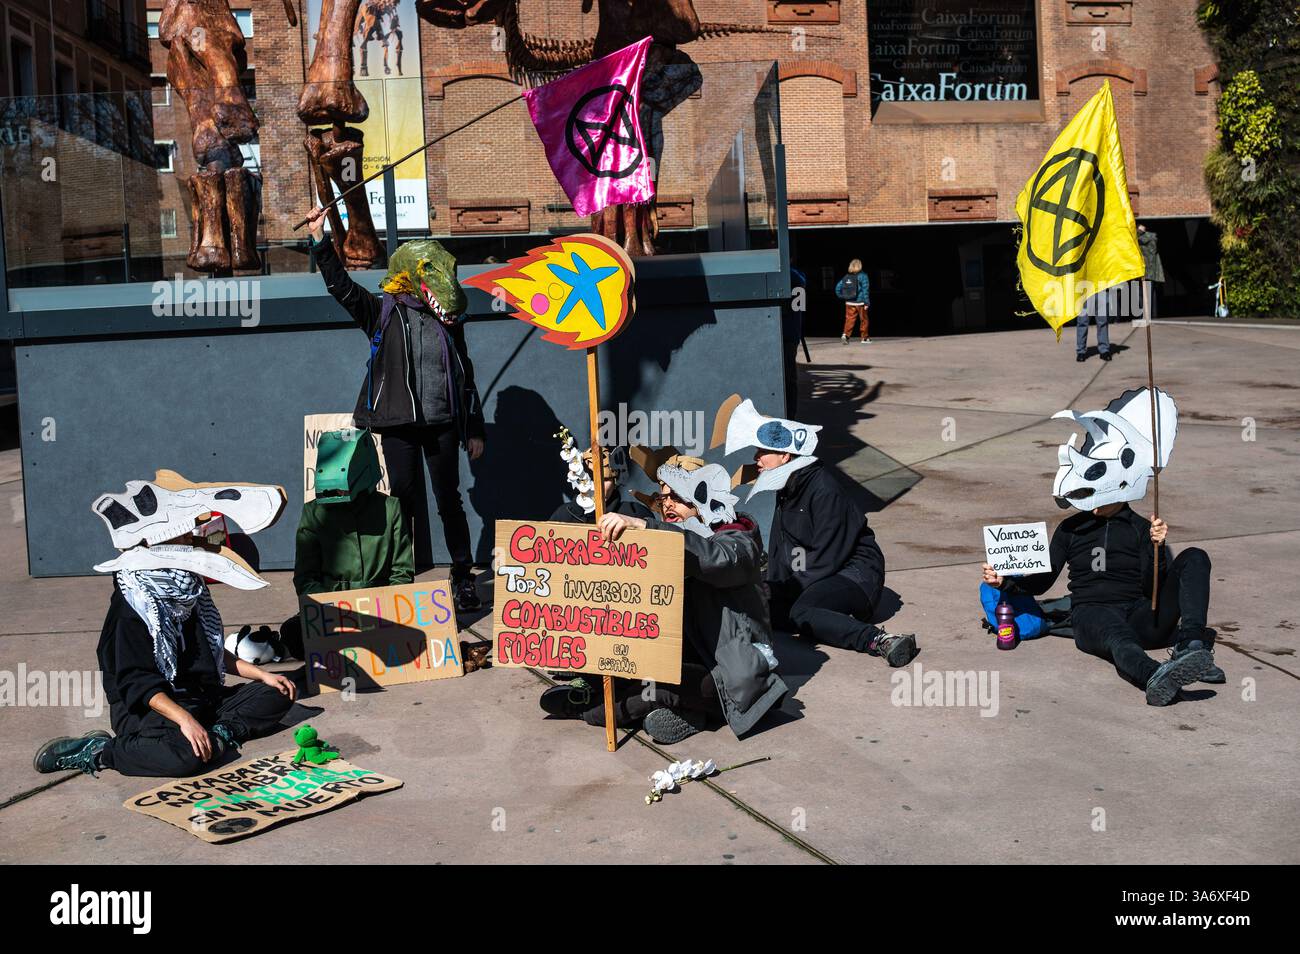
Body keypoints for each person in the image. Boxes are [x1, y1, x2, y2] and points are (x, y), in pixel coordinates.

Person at [35, 471, 296, 777]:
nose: (195, 541)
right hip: (151, 711)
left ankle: (218, 734)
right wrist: (184, 720)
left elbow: (212, 652)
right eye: (187, 536)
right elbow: (138, 683)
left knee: (280, 693)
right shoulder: (133, 606)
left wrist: (263, 676)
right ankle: (100, 752)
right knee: (183, 758)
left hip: (201, 697)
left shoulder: (189, 591)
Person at [306, 206, 485, 612]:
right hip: (399, 422)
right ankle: (401, 577)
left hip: (441, 421)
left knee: (449, 500)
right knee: (401, 503)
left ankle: (462, 575)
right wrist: (320, 240)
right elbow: (341, 287)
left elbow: (464, 372)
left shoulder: (447, 318)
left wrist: (473, 426)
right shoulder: (383, 311)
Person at [539, 456, 787, 744]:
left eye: (677, 498)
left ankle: (591, 710)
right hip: (683, 659)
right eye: (663, 496)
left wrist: (646, 528)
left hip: (729, 672)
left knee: (648, 694)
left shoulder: (737, 537)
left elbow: (717, 559)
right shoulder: (673, 536)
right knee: (629, 672)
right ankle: (685, 712)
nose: (667, 504)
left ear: (702, 499)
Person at [722, 397, 917, 665]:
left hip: (855, 574)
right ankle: (830, 619)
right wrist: (770, 587)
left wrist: (786, 588)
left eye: (762, 451)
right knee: (756, 602)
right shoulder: (788, 487)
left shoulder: (824, 488)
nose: (757, 458)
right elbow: (783, 548)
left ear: (785, 456)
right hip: (817, 574)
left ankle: (879, 640)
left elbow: (828, 555)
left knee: (804, 611)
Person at [982, 503, 1222, 705]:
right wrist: (1004, 582)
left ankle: (1190, 645)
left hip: (1138, 612)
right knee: (1119, 639)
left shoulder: (1140, 527)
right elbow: (1043, 581)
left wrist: (1156, 549)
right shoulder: (1071, 528)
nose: (1094, 504)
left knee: (1195, 556)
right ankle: (1154, 676)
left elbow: (1153, 589)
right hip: (1091, 613)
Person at [278, 428, 414, 659]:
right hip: (332, 610)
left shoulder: (390, 509)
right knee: (292, 634)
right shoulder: (314, 512)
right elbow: (305, 577)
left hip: (379, 609)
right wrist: (332, 609)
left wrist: (383, 609)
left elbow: (402, 571)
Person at [548, 427, 651, 524]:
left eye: (605, 479)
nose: (597, 486)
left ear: (615, 481)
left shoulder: (635, 514)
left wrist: (635, 523)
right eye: (590, 479)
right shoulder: (562, 516)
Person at [837, 258, 871, 344]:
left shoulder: (847, 277)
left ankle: (845, 335)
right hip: (861, 302)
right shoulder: (863, 276)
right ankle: (864, 338)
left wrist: (843, 296)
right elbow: (865, 290)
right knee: (864, 320)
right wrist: (867, 302)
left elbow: (837, 288)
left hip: (849, 302)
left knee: (849, 319)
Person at [1076, 286, 1114, 362]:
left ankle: (1104, 350)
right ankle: (1081, 351)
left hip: (1101, 288)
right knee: (1082, 322)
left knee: (1102, 322)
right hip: (1085, 289)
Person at [1136, 223, 1165, 322]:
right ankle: (1151, 315)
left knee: (1143, 294)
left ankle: (1146, 316)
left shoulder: (1144, 239)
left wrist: (1138, 232)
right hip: (1149, 271)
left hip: (1145, 271)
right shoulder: (1151, 239)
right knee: (1149, 294)